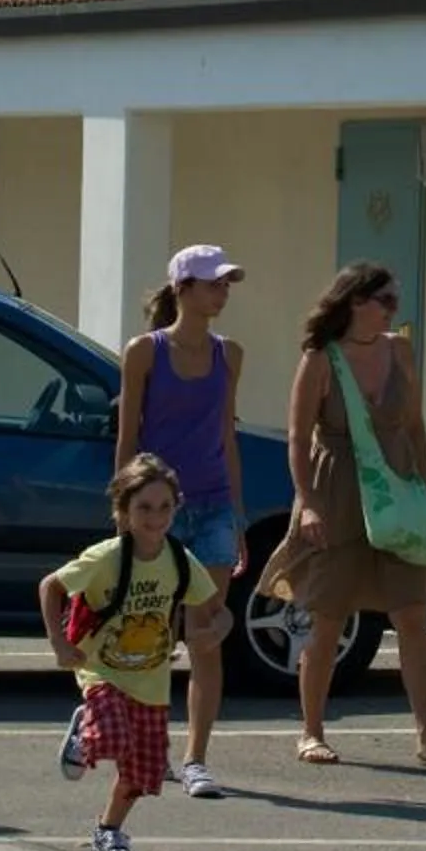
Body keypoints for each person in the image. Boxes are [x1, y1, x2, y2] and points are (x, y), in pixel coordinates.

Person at [254, 260, 426, 767]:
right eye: (385, 299)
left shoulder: (399, 350)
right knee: (328, 618)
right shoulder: (320, 359)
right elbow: (297, 437)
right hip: (339, 494)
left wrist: (422, 484)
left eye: (395, 299)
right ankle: (311, 732)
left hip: (395, 493)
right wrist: (307, 502)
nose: (394, 309)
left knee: (412, 614)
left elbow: (413, 423)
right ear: (355, 302)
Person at [115, 242, 248, 800]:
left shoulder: (229, 354)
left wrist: (238, 515)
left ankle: (196, 759)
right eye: (213, 283)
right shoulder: (144, 352)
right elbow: (127, 436)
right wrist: (124, 513)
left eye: (225, 284)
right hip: (156, 512)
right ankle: (147, 747)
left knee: (205, 635)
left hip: (214, 506)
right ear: (183, 288)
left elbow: (226, 436)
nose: (221, 293)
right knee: (149, 636)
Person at [42, 455, 218, 851]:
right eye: (144, 508)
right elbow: (50, 586)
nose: (155, 518)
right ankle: (86, 730)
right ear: (123, 511)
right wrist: (58, 643)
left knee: (143, 772)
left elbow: (216, 609)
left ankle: (109, 830)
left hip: (151, 679)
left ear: (176, 507)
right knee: (112, 737)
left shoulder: (179, 560)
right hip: (101, 669)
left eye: (164, 507)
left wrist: (216, 631)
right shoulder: (107, 557)